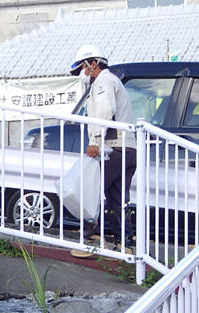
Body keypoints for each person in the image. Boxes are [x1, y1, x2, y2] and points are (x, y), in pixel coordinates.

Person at [70, 44, 137, 252]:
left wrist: (95, 142)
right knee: (117, 197)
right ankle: (125, 243)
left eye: (83, 68)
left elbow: (105, 111)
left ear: (93, 64)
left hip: (112, 147)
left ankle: (89, 238)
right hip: (127, 149)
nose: (82, 73)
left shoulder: (103, 81)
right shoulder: (111, 81)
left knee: (90, 190)